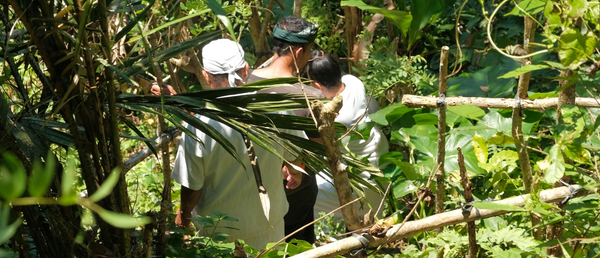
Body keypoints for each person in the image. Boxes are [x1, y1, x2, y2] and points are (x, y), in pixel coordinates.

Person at [171, 39, 304, 249]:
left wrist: (184, 215)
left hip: (218, 236)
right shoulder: (276, 108)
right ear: (246, 69)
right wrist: (295, 173)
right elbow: (296, 158)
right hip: (270, 227)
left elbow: (192, 187)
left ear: (206, 75)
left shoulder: (199, 125)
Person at [246, 16, 321, 244]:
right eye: (309, 51)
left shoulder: (245, 83)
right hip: (294, 191)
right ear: (299, 52)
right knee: (295, 246)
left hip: (250, 185)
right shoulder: (308, 97)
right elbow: (315, 149)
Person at [306, 50, 390, 219]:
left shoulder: (335, 118)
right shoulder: (353, 81)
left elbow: (313, 145)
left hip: (359, 178)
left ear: (316, 85)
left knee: (312, 193)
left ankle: (332, 238)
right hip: (379, 159)